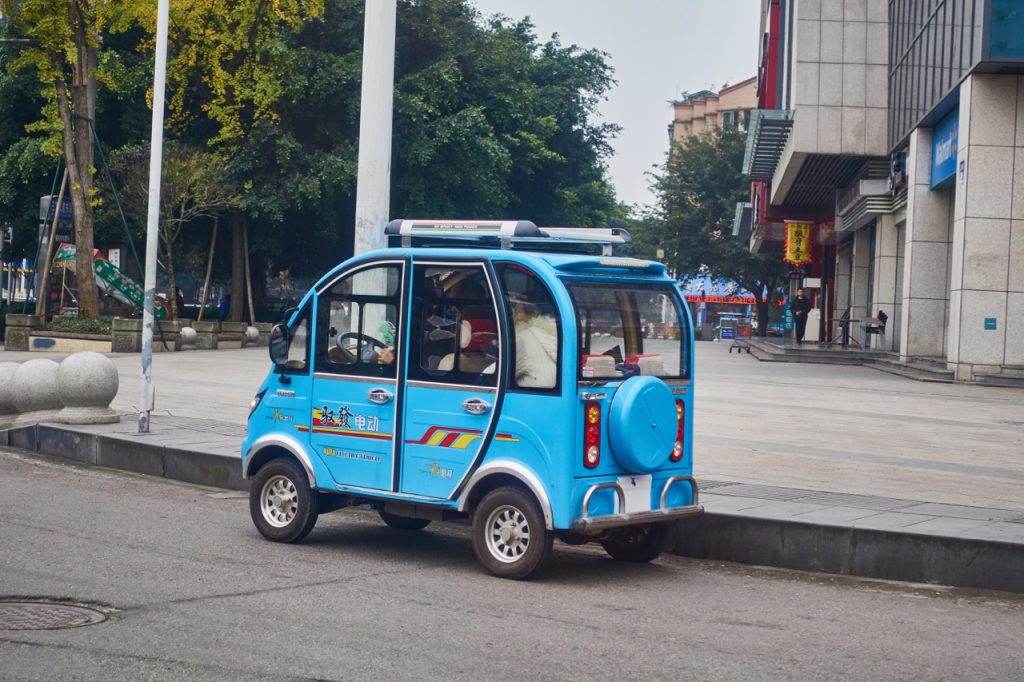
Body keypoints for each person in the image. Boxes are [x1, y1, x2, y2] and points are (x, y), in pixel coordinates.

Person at [511, 295, 557, 388]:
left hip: (529, 394)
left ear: (535, 313)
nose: (514, 318)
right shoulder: (553, 334)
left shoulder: (524, 337)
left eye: (517, 312)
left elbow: (505, 368)